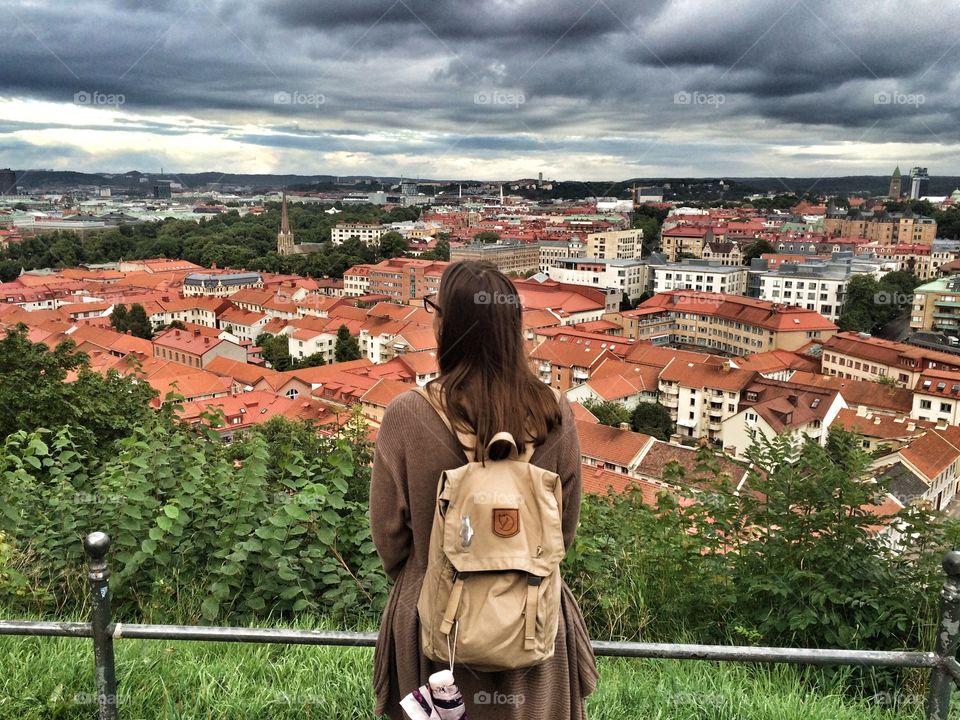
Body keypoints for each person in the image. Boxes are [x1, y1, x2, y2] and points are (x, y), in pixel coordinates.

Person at [370, 260, 599, 720]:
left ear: (446, 326)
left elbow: (390, 539)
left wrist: (437, 571)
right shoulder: (556, 413)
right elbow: (565, 530)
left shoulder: (407, 415)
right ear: (511, 329)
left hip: (435, 633)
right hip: (533, 623)